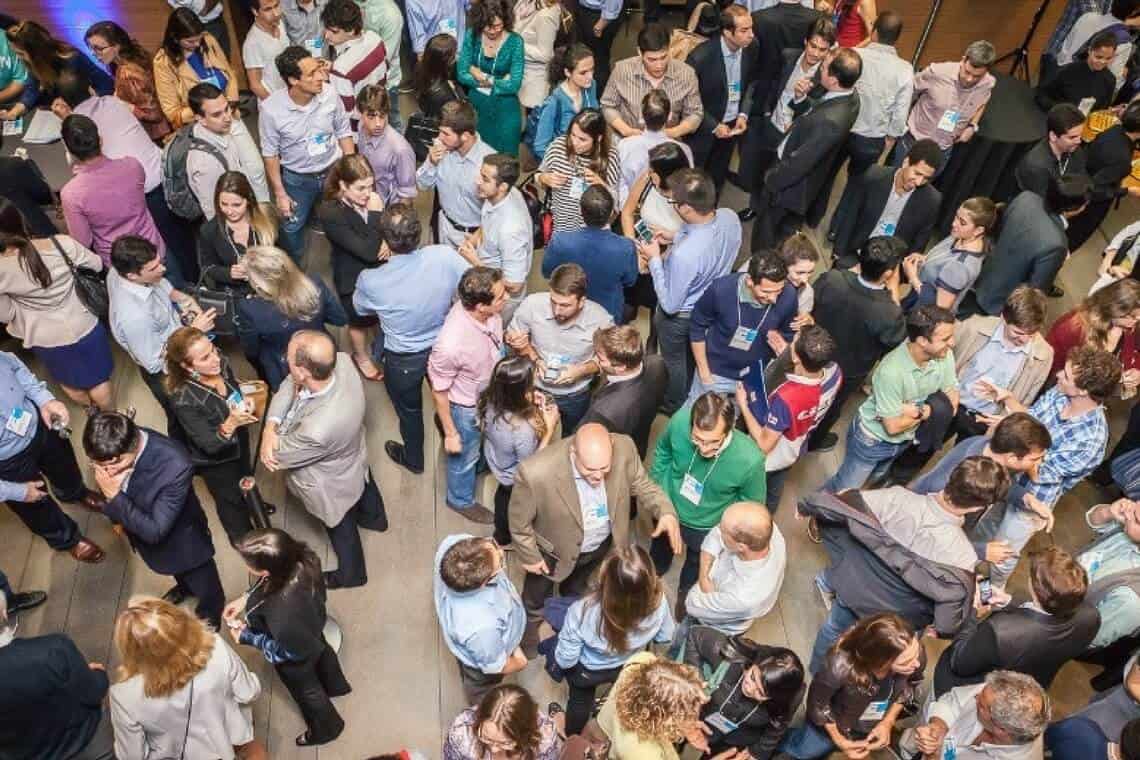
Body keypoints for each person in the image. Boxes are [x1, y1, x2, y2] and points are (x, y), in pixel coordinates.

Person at [509, 423, 681, 631]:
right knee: (535, 596)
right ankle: (530, 629)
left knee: (577, 586)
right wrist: (530, 556)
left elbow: (642, 484)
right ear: (573, 452)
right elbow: (519, 521)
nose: (599, 477)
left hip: (599, 545)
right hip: (551, 553)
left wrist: (665, 511)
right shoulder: (535, 472)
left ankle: (568, 614)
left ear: (612, 444)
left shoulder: (624, 447)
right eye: (589, 470)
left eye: (605, 468)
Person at [982, 347, 1120, 587]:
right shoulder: (1059, 393)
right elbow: (1031, 420)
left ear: (1083, 390)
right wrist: (1009, 401)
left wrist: (1011, 436)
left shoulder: (1090, 439)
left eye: (1066, 375)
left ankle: (993, 591)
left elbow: (1039, 472)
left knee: (1004, 552)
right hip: (1008, 475)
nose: (1058, 375)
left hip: (1034, 499)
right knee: (987, 525)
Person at [260, 331, 387, 589]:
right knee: (364, 483)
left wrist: (270, 435)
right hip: (352, 453)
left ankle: (352, 575)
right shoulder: (339, 360)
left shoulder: (315, 430)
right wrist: (270, 426)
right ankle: (375, 519)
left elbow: (275, 455)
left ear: (303, 371)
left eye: (290, 359)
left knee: (340, 525)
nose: (285, 361)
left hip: (328, 482)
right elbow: (289, 384)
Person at [354, 202, 470, 475]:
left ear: (385, 240)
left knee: (409, 412)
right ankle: (455, 441)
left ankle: (414, 459)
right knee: (453, 401)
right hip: (443, 347)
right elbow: (471, 284)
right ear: (418, 234)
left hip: (402, 358)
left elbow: (361, 309)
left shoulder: (370, 279)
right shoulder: (444, 256)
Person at [84, 411, 225, 628]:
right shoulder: (117, 442)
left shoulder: (175, 465)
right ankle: (185, 588)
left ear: (122, 455)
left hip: (185, 544)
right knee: (179, 574)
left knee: (207, 589)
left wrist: (114, 496)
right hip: (150, 540)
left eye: (105, 467)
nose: (101, 472)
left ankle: (210, 620)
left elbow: (155, 531)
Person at [227, 529, 350, 747]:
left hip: (296, 649)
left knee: (307, 689)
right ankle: (336, 685)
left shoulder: (281, 614)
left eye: (250, 564)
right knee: (323, 651)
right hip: (313, 624)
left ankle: (328, 727)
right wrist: (246, 598)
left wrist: (247, 637)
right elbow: (271, 579)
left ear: (266, 570)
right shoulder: (305, 558)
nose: (247, 567)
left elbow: (286, 651)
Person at [110, 597, 265, 760]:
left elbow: (133, 756)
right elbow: (249, 692)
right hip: (228, 736)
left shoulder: (123, 696)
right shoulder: (215, 646)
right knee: (255, 751)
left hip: (183, 754)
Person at [638, 168, 741, 414]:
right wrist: (675, 236)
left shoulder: (685, 257)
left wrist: (654, 259)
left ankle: (674, 402)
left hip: (681, 316)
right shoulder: (729, 217)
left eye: (674, 201)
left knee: (675, 361)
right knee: (691, 354)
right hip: (710, 304)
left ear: (686, 209)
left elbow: (670, 303)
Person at [825, 304, 958, 492]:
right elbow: (892, 426)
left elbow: (952, 398)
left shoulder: (944, 355)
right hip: (872, 440)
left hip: (904, 440)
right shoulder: (892, 371)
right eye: (945, 339)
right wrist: (927, 412)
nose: (952, 343)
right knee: (845, 488)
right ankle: (810, 509)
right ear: (922, 341)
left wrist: (911, 411)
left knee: (874, 479)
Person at [650, 392, 766, 605]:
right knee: (659, 548)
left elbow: (751, 506)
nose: (703, 449)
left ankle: (685, 597)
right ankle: (654, 573)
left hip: (707, 526)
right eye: (697, 439)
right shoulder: (679, 422)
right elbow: (663, 451)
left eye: (713, 442)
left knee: (696, 563)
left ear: (730, 428)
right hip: (669, 509)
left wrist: (723, 529)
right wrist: (658, 492)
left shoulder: (750, 460)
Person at [545, 546, 675, 736]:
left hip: (586, 672)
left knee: (580, 703)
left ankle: (573, 737)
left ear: (608, 583)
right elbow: (665, 636)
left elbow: (567, 659)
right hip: (626, 666)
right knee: (617, 695)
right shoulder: (659, 602)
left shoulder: (583, 611)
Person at [934, 546, 1098, 696]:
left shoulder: (1000, 631)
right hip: (1026, 687)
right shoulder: (1091, 616)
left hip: (972, 691)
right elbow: (1045, 624)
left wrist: (974, 612)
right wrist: (1008, 601)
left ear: (1035, 588)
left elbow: (959, 663)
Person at [0, 201, 114, 411]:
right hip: (84, 322)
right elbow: (97, 264)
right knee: (99, 380)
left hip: (45, 337)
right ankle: (111, 419)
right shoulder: (61, 244)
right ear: (21, 220)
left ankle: (92, 413)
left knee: (70, 382)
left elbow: (6, 314)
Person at [750, 47, 863, 251]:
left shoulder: (831, 121)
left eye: (825, 67)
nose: (820, 67)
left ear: (834, 80)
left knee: (766, 237)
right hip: (799, 180)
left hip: (788, 188)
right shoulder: (850, 97)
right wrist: (802, 100)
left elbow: (800, 163)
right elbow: (813, 118)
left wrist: (771, 180)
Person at [107, 235, 216, 442]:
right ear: (132, 276)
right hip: (167, 370)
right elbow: (155, 363)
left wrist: (185, 299)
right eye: (153, 268)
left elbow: (166, 289)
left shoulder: (119, 270)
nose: (162, 270)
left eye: (159, 262)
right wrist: (193, 330)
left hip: (175, 335)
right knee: (184, 418)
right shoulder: (134, 317)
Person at [0, 351, 105, 563]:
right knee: (35, 507)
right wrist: (16, 492)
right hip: (7, 463)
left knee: (65, 467)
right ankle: (67, 539)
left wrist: (44, 400)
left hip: (39, 424)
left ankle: (75, 493)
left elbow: (16, 367)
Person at [807, 236, 905, 452]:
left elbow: (810, 304)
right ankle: (815, 441)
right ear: (888, 273)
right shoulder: (889, 312)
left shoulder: (832, 279)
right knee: (832, 407)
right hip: (848, 370)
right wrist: (895, 293)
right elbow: (894, 343)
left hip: (811, 350)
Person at [164, 327, 260, 546]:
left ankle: (254, 503)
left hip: (239, 441)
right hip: (217, 461)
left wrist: (244, 402)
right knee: (231, 503)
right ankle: (249, 546)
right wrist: (232, 422)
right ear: (187, 367)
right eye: (205, 358)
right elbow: (209, 445)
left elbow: (233, 389)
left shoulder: (221, 362)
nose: (216, 359)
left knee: (246, 475)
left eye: (213, 350)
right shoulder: (183, 398)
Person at [781, 613, 925, 760]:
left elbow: (910, 685)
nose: (917, 664)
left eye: (916, 653)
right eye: (905, 662)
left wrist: (887, 721)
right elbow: (818, 705)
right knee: (804, 751)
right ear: (880, 660)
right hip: (830, 727)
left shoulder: (914, 655)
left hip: (866, 726)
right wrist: (839, 740)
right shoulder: (838, 667)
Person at [260, 45, 355, 260]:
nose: (321, 76)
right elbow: (270, 154)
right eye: (312, 73)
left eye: (319, 69)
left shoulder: (330, 93)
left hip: (333, 171)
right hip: (298, 180)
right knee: (292, 227)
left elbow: (343, 130)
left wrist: (350, 170)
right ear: (293, 80)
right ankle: (296, 270)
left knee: (342, 216)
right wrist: (280, 193)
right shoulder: (271, 110)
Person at [430, 267, 509, 524]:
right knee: (463, 457)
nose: (506, 297)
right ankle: (460, 499)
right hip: (466, 407)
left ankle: (478, 463)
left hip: (489, 392)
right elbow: (439, 390)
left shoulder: (491, 315)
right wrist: (451, 433)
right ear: (479, 306)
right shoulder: (450, 344)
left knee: (478, 446)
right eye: (500, 297)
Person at [738, 325, 841, 512]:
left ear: (796, 358)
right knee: (776, 488)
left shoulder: (787, 398)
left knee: (757, 488)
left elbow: (763, 444)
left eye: (793, 342)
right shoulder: (835, 373)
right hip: (796, 447)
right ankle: (770, 512)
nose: (791, 343)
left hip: (773, 455)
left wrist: (744, 404)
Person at [738, 16, 834, 215]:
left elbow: (819, 112)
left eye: (822, 49)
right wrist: (765, 112)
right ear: (805, 42)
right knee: (761, 169)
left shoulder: (826, 78)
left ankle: (770, 213)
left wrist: (804, 98)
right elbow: (771, 84)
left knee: (782, 178)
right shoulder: (788, 56)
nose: (815, 53)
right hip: (773, 124)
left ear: (829, 50)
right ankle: (755, 206)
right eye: (813, 46)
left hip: (795, 137)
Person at [505, 263, 613, 434]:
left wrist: (582, 370)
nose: (556, 310)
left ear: (581, 301)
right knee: (530, 433)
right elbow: (512, 336)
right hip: (534, 387)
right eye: (553, 302)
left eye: (564, 305)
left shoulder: (601, 320)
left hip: (575, 394)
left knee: (572, 434)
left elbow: (608, 359)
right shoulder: (532, 304)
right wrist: (520, 346)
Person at [0, 604, 115, 760]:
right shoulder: (53, 650)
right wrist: (98, 674)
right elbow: (94, 692)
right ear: (4, 614)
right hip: (85, 741)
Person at [942, 286, 1054, 445]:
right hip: (951, 403)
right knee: (915, 456)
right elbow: (944, 359)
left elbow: (1027, 400)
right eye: (1018, 333)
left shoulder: (1043, 355)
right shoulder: (974, 327)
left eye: (1031, 334)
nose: (1025, 340)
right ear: (1003, 318)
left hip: (986, 422)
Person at [969, 176, 1091, 311]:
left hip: (979, 273)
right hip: (997, 302)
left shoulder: (1026, 197)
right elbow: (1035, 292)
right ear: (1075, 208)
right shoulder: (1057, 244)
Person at [689, 250, 797, 401]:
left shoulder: (789, 296)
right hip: (715, 371)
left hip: (751, 378)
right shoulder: (721, 290)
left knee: (731, 420)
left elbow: (788, 333)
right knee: (697, 418)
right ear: (750, 282)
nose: (773, 299)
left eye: (778, 291)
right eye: (766, 292)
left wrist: (782, 344)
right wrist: (704, 373)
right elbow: (696, 327)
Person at [59, 115, 165, 268]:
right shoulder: (132, 165)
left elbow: (83, 241)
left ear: (70, 152)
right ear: (100, 140)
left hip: (121, 266)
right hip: (154, 250)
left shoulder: (71, 194)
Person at [236, 245, 348, 389]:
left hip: (283, 367)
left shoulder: (250, 308)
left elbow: (251, 350)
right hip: (320, 352)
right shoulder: (314, 283)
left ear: (260, 283)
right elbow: (339, 318)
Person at [434, 534, 528, 704]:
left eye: (492, 545)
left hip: (479, 641)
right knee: (481, 691)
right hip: (485, 655)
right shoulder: (481, 628)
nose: (500, 551)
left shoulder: (451, 545)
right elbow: (495, 666)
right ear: (484, 583)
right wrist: (519, 661)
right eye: (499, 564)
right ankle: (479, 709)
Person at [681, 632, 803, 759]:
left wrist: (758, 752)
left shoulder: (790, 695)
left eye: (760, 693)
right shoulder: (734, 655)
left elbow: (779, 722)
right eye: (752, 677)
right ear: (755, 663)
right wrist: (695, 683)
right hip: (697, 715)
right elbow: (695, 635)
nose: (750, 689)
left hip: (735, 739)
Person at [830, 139, 944, 271]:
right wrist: (839, 254)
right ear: (906, 162)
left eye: (926, 178)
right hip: (856, 253)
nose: (918, 182)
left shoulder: (931, 201)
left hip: (887, 268)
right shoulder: (873, 177)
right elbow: (850, 216)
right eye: (917, 173)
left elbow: (917, 247)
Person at [480, 357, 559, 545]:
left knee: (502, 498)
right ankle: (505, 537)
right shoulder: (522, 430)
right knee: (513, 505)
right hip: (513, 477)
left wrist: (529, 402)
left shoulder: (488, 395)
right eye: (531, 384)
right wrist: (549, 429)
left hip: (497, 460)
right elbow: (531, 466)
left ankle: (501, 535)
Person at [319, 154, 385, 381]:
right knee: (358, 321)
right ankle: (361, 356)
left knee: (377, 315)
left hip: (378, 270)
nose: (368, 194)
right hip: (352, 275)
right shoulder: (331, 212)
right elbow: (367, 251)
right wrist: (376, 214)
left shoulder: (369, 197)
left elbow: (379, 235)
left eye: (370, 186)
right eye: (360, 188)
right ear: (342, 186)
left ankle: (378, 344)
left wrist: (385, 241)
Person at [681, 501, 786, 634]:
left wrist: (705, 582)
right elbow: (715, 535)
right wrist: (704, 578)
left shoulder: (744, 596)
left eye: (723, 531)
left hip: (717, 628)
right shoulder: (766, 530)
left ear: (741, 547)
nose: (718, 529)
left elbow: (691, 604)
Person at [685, 5, 759, 192]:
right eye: (744, 30)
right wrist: (714, 126)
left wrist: (743, 114)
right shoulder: (700, 57)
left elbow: (751, 82)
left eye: (751, 28)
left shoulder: (751, 47)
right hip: (703, 130)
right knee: (694, 179)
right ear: (727, 31)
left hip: (731, 129)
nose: (751, 35)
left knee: (717, 177)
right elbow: (689, 99)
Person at [891, 40, 996, 172]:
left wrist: (972, 126)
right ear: (963, 60)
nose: (969, 79)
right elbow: (908, 91)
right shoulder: (937, 73)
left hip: (943, 149)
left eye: (977, 76)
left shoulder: (988, 83)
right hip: (913, 142)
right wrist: (899, 123)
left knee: (922, 189)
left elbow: (983, 101)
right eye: (967, 72)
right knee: (896, 179)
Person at [541, 186, 639, 325]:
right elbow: (630, 281)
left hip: (568, 312)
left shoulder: (560, 241)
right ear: (612, 213)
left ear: (581, 212)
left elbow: (547, 273)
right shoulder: (626, 247)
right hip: (607, 314)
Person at [620, 143, 690, 329]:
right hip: (641, 246)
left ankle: (654, 333)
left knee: (659, 301)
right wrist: (632, 246)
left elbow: (695, 238)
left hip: (670, 257)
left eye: (652, 170)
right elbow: (627, 212)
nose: (648, 172)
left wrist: (666, 248)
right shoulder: (646, 181)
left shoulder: (689, 198)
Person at [902, 672, 1050, 760]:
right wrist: (939, 725)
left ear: (1001, 729)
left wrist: (934, 757)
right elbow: (952, 700)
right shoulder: (994, 694)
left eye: (981, 706)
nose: (976, 696)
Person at [601, 23, 703, 142]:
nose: (659, 65)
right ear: (640, 52)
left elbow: (695, 113)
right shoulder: (622, 71)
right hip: (628, 142)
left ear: (670, 49)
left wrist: (674, 132)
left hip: (667, 145)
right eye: (652, 60)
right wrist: (626, 130)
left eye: (664, 57)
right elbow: (607, 105)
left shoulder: (686, 74)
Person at [595, 652, 707, 760]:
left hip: (598, 730)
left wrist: (683, 722)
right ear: (665, 718)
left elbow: (659, 672)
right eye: (687, 714)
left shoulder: (638, 663)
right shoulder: (642, 752)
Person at [581, 324, 668, 459]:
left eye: (601, 359)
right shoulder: (658, 363)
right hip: (638, 440)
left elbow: (584, 441)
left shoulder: (604, 411)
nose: (597, 361)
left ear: (621, 367)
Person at [843, 10, 913, 178]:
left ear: (874, 32)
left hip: (842, 126)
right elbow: (900, 112)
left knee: (824, 177)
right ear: (897, 39)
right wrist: (891, 136)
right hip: (872, 138)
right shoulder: (905, 69)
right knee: (857, 186)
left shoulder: (854, 55)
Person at [465, 153, 534, 324]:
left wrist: (476, 263)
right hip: (487, 272)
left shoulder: (511, 229)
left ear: (502, 186)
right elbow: (487, 222)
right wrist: (474, 240)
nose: (477, 181)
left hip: (499, 298)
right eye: (480, 174)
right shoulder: (499, 195)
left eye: (485, 179)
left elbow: (514, 284)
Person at [416, 100, 495, 248]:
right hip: (443, 228)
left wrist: (477, 238)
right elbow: (422, 185)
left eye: (446, 133)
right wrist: (431, 163)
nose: (439, 138)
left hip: (472, 238)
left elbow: (497, 213)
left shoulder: (489, 164)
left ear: (465, 136)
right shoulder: (442, 149)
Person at [185, 84, 270, 220]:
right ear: (200, 119)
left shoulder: (221, 130)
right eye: (216, 114)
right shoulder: (205, 164)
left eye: (227, 109)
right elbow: (214, 212)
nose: (227, 117)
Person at [901, 196, 998, 316]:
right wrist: (925, 259)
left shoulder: (960, 267)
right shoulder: (959, 236)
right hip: (914, 301)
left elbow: (938, 308)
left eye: (962, 222)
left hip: (923, 316)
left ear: (978, 230)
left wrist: (912, 276)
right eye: (956, 216)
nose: (954, 224)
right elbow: (942, 263)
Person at [83, 21, 172, 144]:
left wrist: (127, 106)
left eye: (99, 48)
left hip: (156, 135)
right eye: (91, 48)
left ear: (117, 46)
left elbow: (154, 114)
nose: (94, 54)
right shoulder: (129, 58)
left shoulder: (128, 74)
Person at [152, 9, 240, 130]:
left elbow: (229, 73)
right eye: (190, 41)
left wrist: (230, 102)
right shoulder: (163, 63)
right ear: (175, 38)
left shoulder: (208, 40)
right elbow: (172, 113)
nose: (198, 44)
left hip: (230, 114)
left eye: (199, 38)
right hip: (200, 126)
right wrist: (212, 108)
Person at [1069, 102, 1140, 251]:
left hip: (1076, 179)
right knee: (1069, 240)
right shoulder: (1122, 160)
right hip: (1087, 206)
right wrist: (1128, 191)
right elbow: (1096, 190)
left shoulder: (1113, 129)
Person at [537, 108, 621, 233]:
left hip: (593, 232)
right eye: (573, 135)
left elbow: (616, 203)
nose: (575, 142)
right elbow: (538, 176)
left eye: (582, 139)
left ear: (598, 138)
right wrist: (544, 178)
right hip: (561, 227)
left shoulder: (609, 156)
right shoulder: (558, 146)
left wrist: (602, 186)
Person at [457, 0, 524, 155]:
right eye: (488, 26)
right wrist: (500, 80)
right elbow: (461, 74)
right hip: (477, 107)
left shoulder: (515, 42)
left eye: (498, 26)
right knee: (476, 157)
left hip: (505, 108)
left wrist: (481, 75)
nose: (493, 31)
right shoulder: (472, 36)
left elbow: (514, 84)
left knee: (505, 160)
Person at [5, 20, 113, 112]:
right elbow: (32, 86)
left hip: (84, 109)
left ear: (36, 53)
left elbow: (106, 83)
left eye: (21, 54)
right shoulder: (34, 64)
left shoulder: (72, 58)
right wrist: (19, 108)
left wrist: (92, 101)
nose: (18, 58)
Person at [197, 170, 277, 294]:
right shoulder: (209, 231)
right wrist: (228, 273)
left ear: (249, 200)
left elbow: (286, 254)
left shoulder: (266, 217)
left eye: (236, 205)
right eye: (224, 204)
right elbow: (207, 267)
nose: (229, 211)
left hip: (272, 287)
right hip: (237, 295)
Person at [1047, 278, 1140, 383]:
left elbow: (1134, 352)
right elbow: (1050, 368)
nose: (1135, 322)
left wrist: (1136, 370)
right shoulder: (1072, 328)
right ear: (1114, 309)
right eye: (1133, 317)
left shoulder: (1131, 325)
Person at [614, 89, 692, 205]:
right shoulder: (683, 150)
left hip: (632, 208)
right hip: (670, 211)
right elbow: (687, 187)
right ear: (669, 116)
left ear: (641, 115)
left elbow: (619, 185)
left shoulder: (624, 145)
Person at [443, 685, 563, 760]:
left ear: (526, 733)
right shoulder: (462, 734)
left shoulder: (544, 737)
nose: (494, 749)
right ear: (479, 719)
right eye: (486, 738)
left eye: (506, 743)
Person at [321, 0, 389, 121]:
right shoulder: (375, 38)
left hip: (357, 130)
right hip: (380, 109)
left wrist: (328, 81)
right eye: (326, 29)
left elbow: (346, 114)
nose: (326, 36)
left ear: (351, 30)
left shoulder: (341, 70)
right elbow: (384, 70)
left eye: (334, 31)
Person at [532, 44, 599, 161]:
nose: (590, 76)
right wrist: (564, 165)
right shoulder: (554, 102)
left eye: (592, 69)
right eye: (583, 73)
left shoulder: (591, 86)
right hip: (564, 161)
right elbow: (540, 147)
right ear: (568, 72)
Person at [1057, 0, 1140, 93]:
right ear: (1134, 12)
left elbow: (1064, 51)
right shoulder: (1124, 41)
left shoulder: (1087, 17)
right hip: (1079, 91)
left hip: (1058, 78)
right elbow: (1113, 81)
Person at [355, 84, 417, 204]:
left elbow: (407, 195)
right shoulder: (361, 127)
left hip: (386, 210)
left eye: (382, 115)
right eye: (371, 116)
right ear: (360, 112)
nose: (378, 124)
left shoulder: (400, 149)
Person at [1036, 29, 1119, 115]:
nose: (1103, 62)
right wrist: (1059, 111)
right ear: (1090, 51)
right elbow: (1042, 94)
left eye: (1108, 58)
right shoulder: (1069, 70)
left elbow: (1101, 111)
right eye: (1098, 57)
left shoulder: (1110, 80)